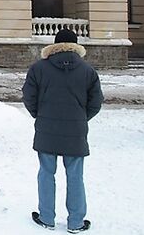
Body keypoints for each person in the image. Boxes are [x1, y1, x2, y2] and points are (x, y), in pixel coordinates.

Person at [22, 28, 103, 234]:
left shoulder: (39, 68)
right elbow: (96, 102)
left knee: (46, 173)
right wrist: (81, 118)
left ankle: (46, 217)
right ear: (76, 46)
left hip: (46, 128)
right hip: (75, 130)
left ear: (54, 45)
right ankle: (76, 222)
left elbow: (29, 97)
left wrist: (39, 115)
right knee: (76, 175)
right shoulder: (87, 70)